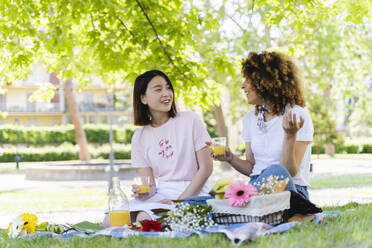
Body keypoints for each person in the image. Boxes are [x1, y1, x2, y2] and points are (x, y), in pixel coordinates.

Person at [214, 51, 314, 199]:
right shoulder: (250, 118)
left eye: (248, 80)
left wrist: (290, 134)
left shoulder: (297, 115)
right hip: (257, 188)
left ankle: (243, 203)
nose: (243, 86)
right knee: (200, 201)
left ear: (266, 82)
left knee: (276, 171)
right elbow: (252, 168)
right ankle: (245, 202)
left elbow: (288, 173)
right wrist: (230, 158)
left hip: (290, 191)